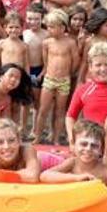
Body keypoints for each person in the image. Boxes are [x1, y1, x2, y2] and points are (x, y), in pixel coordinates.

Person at [35, 10, 79, 145]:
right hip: (49, 79)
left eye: (53, 27)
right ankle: (37, 135)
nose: (50, 30)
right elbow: (46, 60)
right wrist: (47, 71)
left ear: (62, 27)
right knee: (43, 109)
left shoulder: (70, 43)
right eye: (48, 26)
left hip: (64, 80)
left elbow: (75, 60)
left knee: (60, 110)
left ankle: (55, 138)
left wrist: (68, 73)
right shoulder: (47, 43)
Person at [66, 42, 107, 141]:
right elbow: (70, 116)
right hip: (90, 144)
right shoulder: (83, 90)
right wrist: (72, 138)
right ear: (90, 67)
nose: (103, 69)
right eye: (98, 65)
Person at [0, 118, 39, 183]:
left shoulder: (27, 150)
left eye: (11, 140)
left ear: (19, 140)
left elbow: (32, 177)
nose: (6, 146)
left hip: (45, 160)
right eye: (0, 142)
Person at [77, 7, 107, 85]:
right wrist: (79, 81)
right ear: (98, 25)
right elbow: (84, 63)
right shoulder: (90, 42)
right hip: (91, 78)